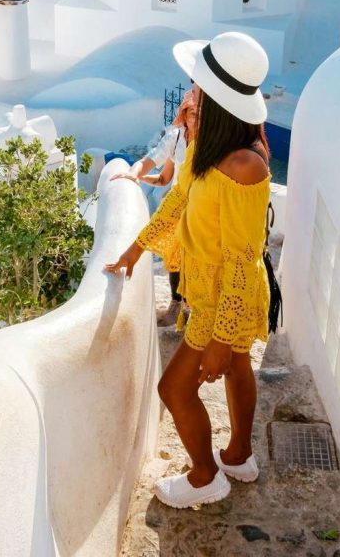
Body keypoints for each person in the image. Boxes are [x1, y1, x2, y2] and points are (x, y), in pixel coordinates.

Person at [105, 31, 271, 509]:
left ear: (218, 100)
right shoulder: (209, 147)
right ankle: (239, 456)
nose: (191, 95)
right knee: (239, 368)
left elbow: (243, 256)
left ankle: (204, 477)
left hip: (227, 297)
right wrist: (137, 250)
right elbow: (178, 199)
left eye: (197, 88)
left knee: (173, 388)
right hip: (209, 289)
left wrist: (219, 336)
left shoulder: (243, 166)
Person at [111, 89, 198, 326]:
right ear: (184, 113)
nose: (194, 117)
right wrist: (135, 174)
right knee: (175, 257)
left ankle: (192, 308)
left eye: (199, 113)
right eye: (190, 112)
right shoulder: (177, 138)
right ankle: (176, 304)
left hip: (200, 208)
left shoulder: (210, 142)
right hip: (178, 207)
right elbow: (160, 173)